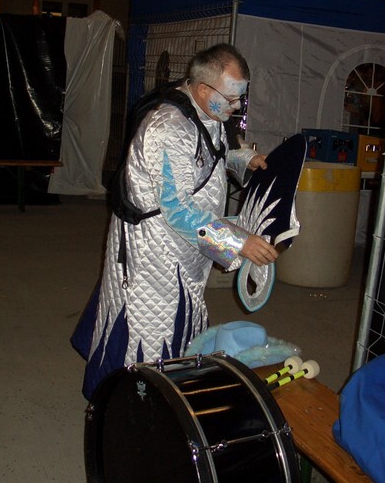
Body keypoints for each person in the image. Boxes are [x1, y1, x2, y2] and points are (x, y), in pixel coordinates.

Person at [71, 43, 279, 401]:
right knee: (149, 329)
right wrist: (238, 243)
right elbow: (178, 210)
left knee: (180, 321)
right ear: (203, 89)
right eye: (231, 99)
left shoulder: (207, 112)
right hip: (154, 250)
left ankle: (167, 398)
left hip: (185, 246)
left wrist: (243, 160)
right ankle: (127, 405)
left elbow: (210, 156)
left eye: (239, 99)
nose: (236, 107)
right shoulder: (167, 128)